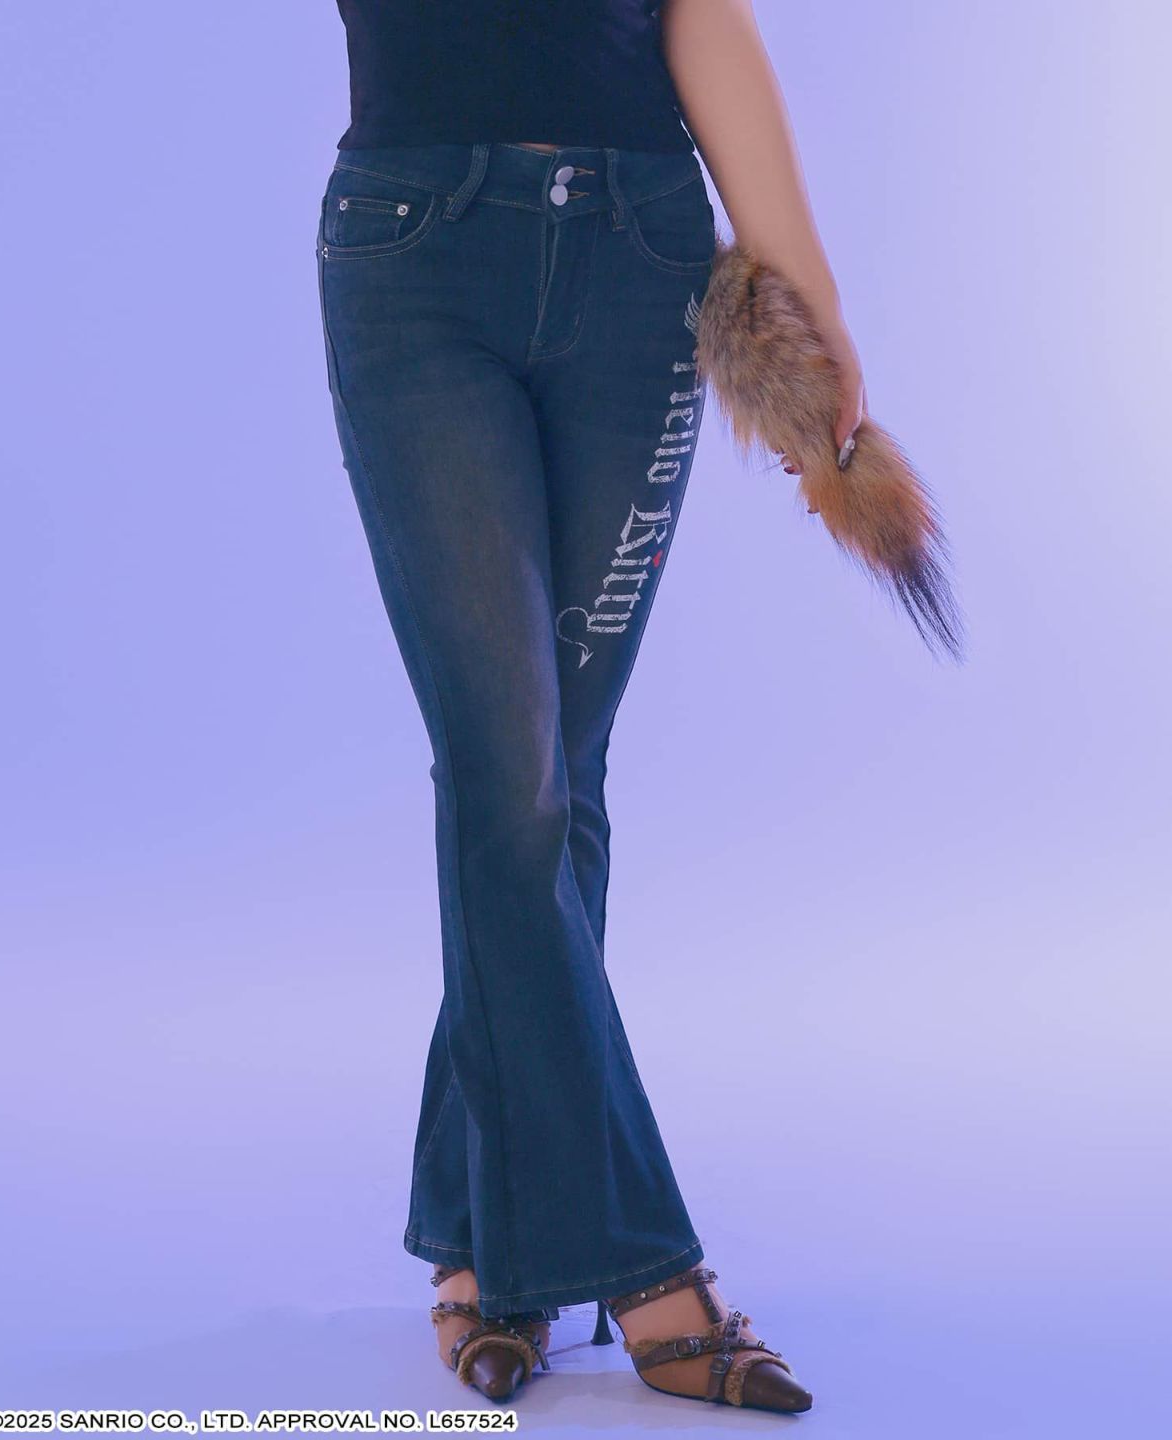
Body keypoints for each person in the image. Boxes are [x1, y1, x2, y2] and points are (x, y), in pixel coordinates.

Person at [316, 0, 865, 1413]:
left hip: (643, 252)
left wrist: (804, 295)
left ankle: (487, 1248)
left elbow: (702, 15)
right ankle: (642, 1268)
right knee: (511, 779)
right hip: (417, 253)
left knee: (558, 781)